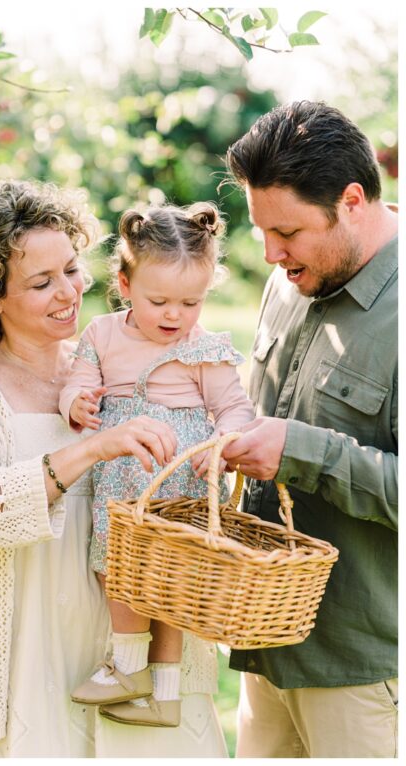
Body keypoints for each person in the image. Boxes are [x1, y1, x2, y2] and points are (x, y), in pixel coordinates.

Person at [0, 179, 227, 757]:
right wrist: (94, 447)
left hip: (139, 622)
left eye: (71, 268)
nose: (69, 291)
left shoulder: (125, 355)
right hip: (30, 635)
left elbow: (191, 455)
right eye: (42, 282)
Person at [220, 101, 398, 758]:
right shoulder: (289, 279)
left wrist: (303, 450)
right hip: (267, 643)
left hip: (359, 671)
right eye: (262, 231)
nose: (271, 254)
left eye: (287, 232)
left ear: (352, 200)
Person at [62, 202, 254, 728]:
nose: (175, 315)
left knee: (170, 581)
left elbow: (234, 407)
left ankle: (160, 689)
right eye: (160, 300)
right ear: (124, 284)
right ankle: (132, 669)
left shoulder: (202, 348)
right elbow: (78, 381)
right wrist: (75, 403)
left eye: (191, 302)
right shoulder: (102, 334)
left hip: (180, 480)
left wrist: (223, 442)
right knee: (119, 567)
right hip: (124, 477)